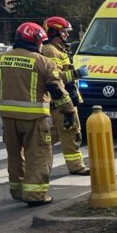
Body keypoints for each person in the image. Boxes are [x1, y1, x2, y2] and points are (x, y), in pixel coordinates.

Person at [0, 22, 76, 206]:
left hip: (8, 118)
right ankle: (35, 195)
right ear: (36, 41)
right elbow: (57, 91)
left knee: (15, 156)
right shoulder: (42, 62)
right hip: (35, 119)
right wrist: (69, 111)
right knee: (38, 156)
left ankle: (17, 191)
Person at [41, 16, 89, 176]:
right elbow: (54, 76)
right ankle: (76, 166)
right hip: (62, 101)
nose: (67, 35)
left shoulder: (59, 49)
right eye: (64, 32)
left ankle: (33, 154)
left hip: (65, 98)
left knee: (54, 133)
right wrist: (76, 74)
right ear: (54, 32)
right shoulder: (50, 51)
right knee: (71, 133)